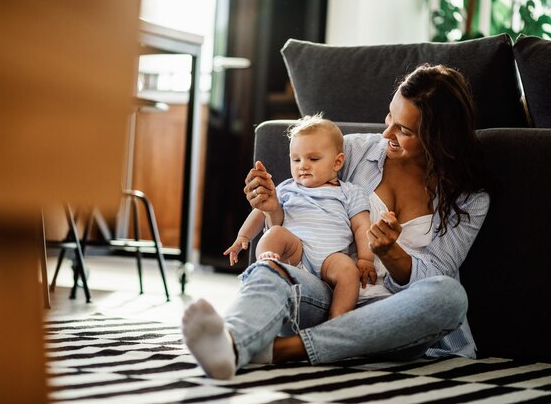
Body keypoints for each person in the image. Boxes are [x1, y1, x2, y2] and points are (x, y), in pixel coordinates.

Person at [182, 63, 490, 380]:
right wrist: (271, 207)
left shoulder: (468, 200)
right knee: (270, 267)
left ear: (439, 138)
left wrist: (390, 252)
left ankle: (282, 350)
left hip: (392, 319)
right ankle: (231, 342)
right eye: (389, 117)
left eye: (404, 130)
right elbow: (302, 213)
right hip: (329, 296)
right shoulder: (353, 150)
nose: (387, 134)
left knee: (450, 297)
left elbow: (436, 274)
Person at [223, 115, 378, 319]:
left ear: (337, 162)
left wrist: (366, 258)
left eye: (313, 159)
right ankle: (267, 261)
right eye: (296, 159)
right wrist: (243, 237)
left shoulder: (349, 192)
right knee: (276, 233)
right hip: (294, 251)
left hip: (330, 258)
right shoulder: (287, 188)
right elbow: (260, 212)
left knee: (349, 271)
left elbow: (361, 226)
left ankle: (337, 320)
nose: (302, 165)